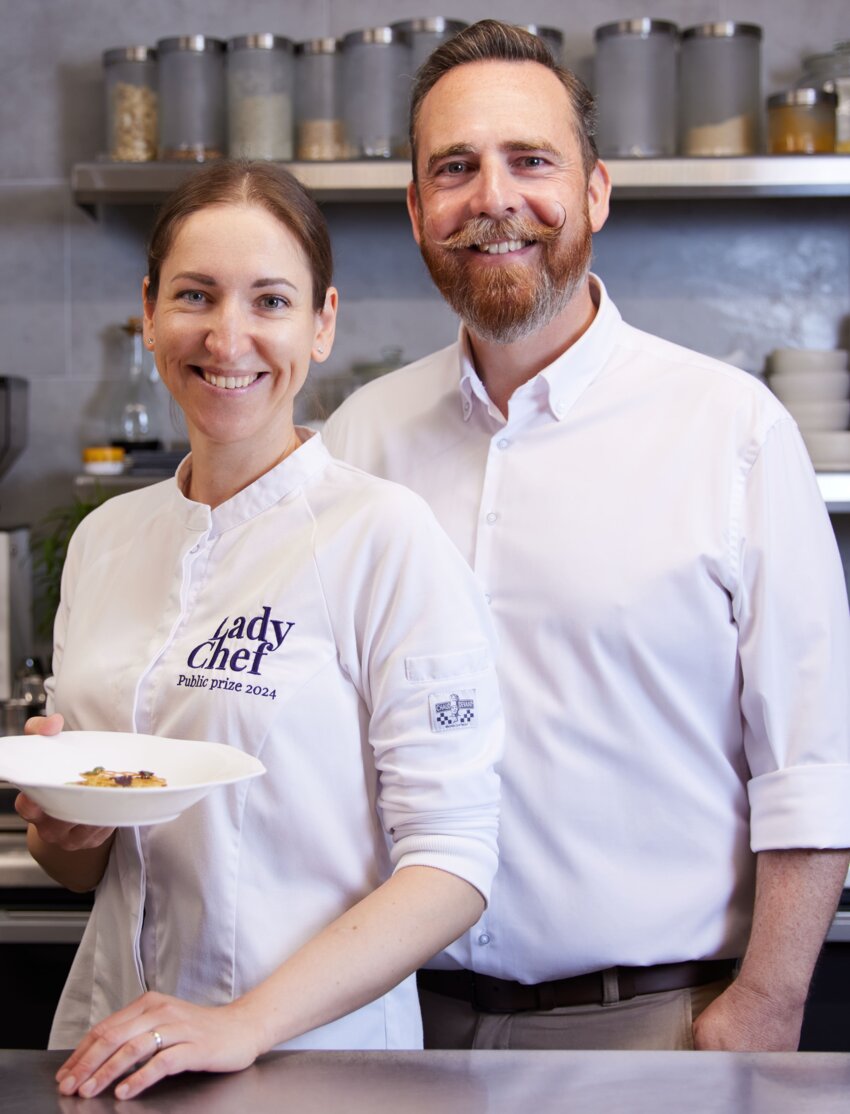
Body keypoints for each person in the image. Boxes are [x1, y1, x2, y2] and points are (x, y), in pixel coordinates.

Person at [323, 20, 850, 1053]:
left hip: (652, 1025)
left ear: (596, 192)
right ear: (416, 208)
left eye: (531, 161)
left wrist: (771, 999)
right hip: (391, 1020)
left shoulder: (730, 430)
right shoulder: (360, 439)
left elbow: (813, 757)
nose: (493, 199)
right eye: (455, 168)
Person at [16, 159, 504, 1100]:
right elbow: (85, 867)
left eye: (270, 301)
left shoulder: (383, 536)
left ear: (321, 324)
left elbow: (453, 864)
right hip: (112, 1047)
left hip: (318, 1064)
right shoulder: (106, 541)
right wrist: (67, 825)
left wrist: (242, 1026)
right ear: (149, 311)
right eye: (195, 295)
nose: (227, 336)